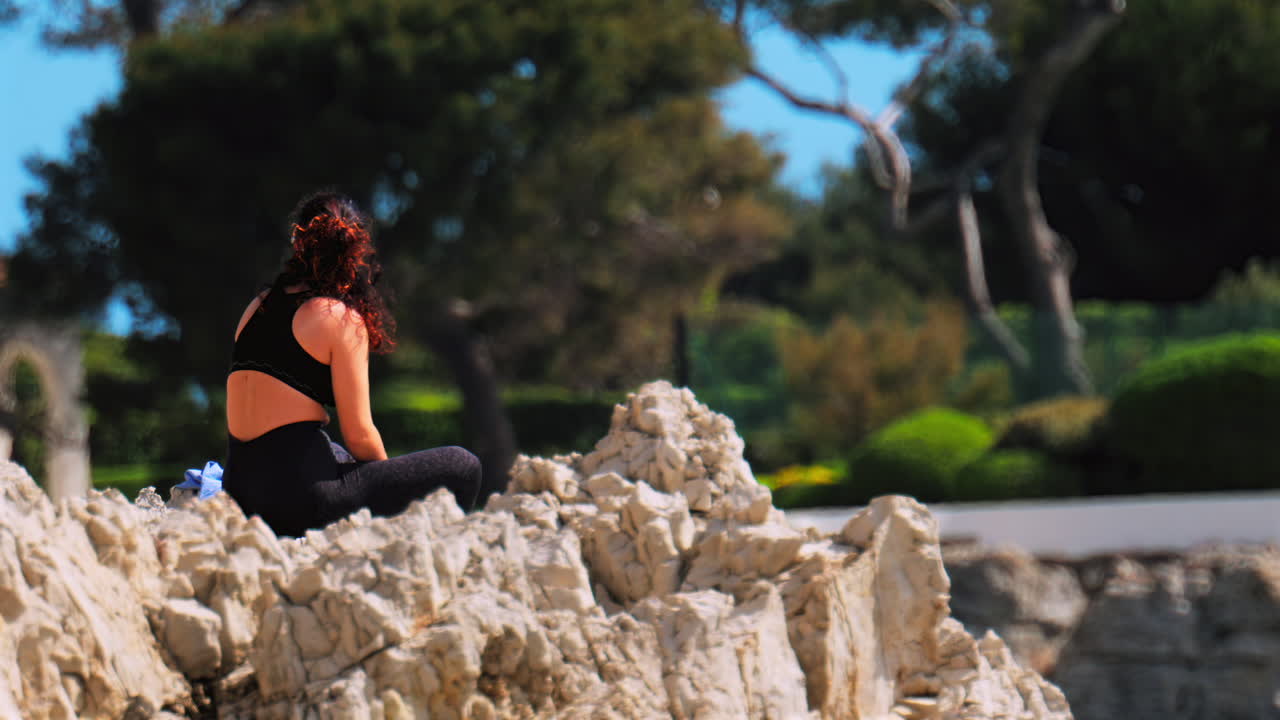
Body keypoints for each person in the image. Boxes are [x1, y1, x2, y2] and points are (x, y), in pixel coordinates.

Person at [222, 190, 480, 537]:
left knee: (336, 453)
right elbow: (360, 435)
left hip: (241, 493)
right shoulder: (339, 318)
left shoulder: (257, 307)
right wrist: (391, 486)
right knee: (463, 465)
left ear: (298, 242)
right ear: (355, 252)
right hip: (301, 500)